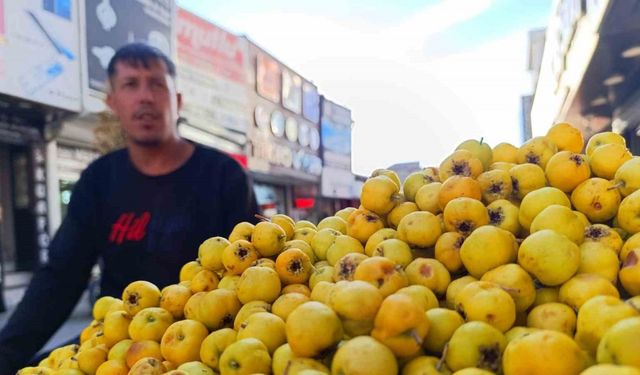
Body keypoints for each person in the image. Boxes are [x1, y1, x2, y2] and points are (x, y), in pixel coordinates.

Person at [0, 43, 259, 372]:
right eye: (130, 84)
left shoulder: (225, 176)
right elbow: (60, 278)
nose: (145, 97)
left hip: (205, 349)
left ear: (177, 100)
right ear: (112, 103)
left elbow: (252, 269)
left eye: (156, 84)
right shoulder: (98, 179)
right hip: (116, 345)